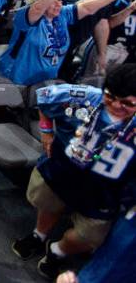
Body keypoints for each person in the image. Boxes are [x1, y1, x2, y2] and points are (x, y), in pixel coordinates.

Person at [12, 66, 136, 279]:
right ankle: (38, 235)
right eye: (111, 97)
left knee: (90, 235)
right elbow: (45, 98)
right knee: (49, 204)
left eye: (127, 103)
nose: (116, 105)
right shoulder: (87, 98)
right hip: (62, 171)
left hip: (105, 193)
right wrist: (47, 132)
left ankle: (56, 250)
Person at [0, 0, 121, 86]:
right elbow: (37, 9)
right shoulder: (25, 16)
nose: (58, 5)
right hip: (17, 79)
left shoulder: (62, 14)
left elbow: (87, 8)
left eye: (60, 1)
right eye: (54, 2)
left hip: (46, 80)